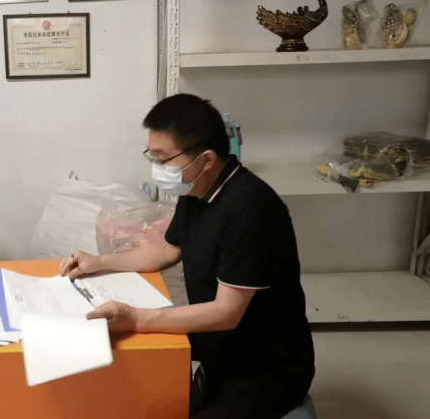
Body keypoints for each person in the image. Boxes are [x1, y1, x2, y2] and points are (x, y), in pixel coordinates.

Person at [60, 94, 314, 419]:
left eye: (163, 159)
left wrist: (137, 318)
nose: (157, 168)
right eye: (152, 156)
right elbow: (168, 250)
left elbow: (227, 313)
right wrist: (99, 262)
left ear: (205, 159)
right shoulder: (196, 190)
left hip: (264, 366)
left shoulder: (251, 209)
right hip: (218, 350)